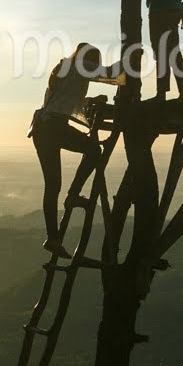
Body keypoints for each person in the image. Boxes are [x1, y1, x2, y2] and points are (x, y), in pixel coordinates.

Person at [30, 43, 123, 257]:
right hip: (53, 127)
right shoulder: (80, 66)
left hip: (42, 128)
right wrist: (131, 58)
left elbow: (69, 100)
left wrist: (91, 100)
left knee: (52, 185)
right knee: (93, 150)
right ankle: (73, 195)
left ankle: (52, 237)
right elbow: (113, 75)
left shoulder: (65, 69)